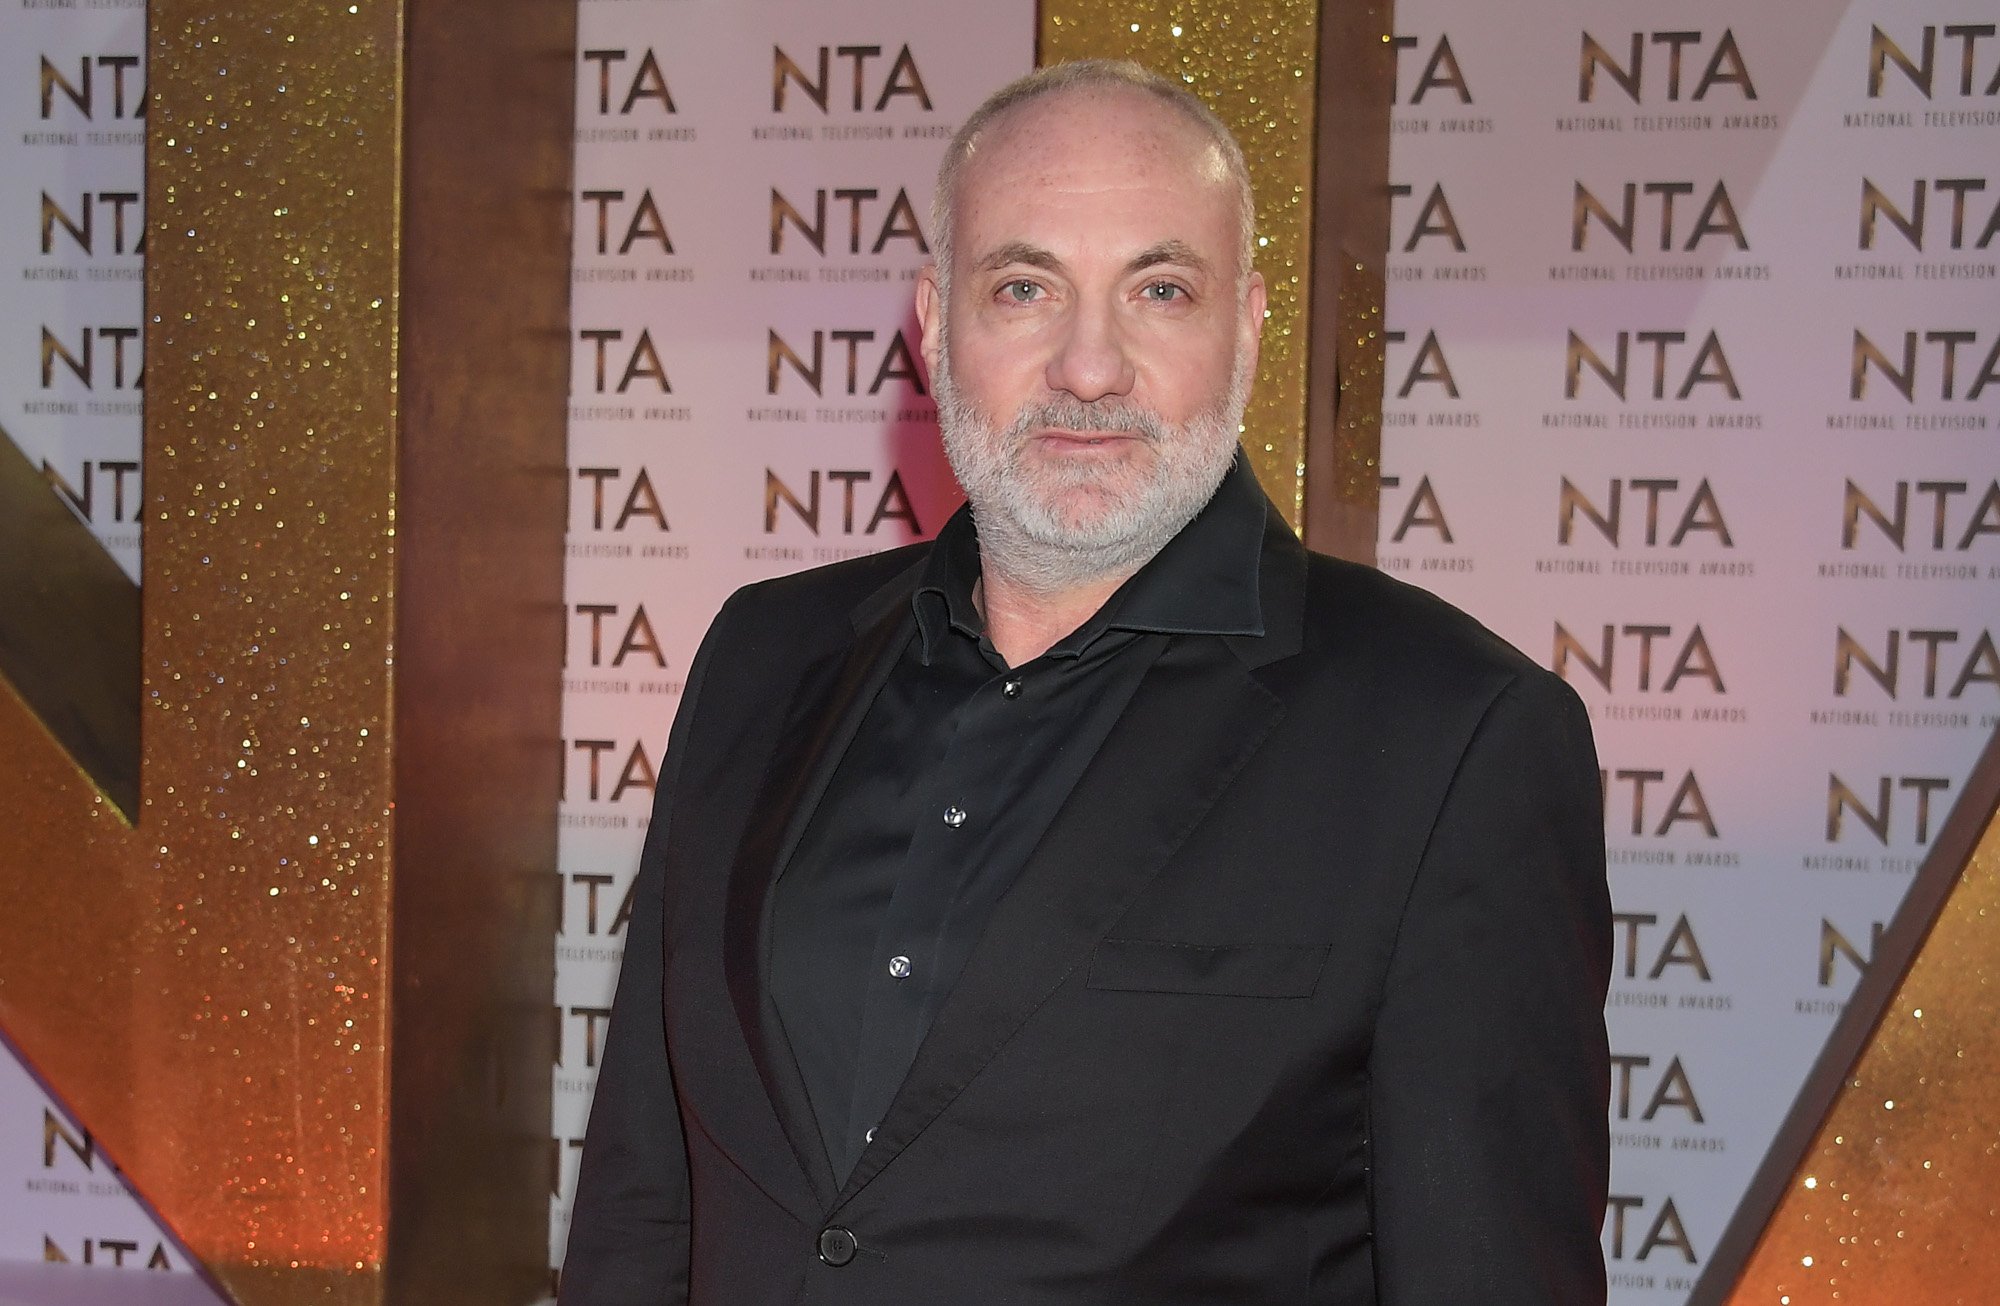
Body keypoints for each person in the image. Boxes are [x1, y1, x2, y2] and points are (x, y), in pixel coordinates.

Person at [562, 59, 1610, 1305]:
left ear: (1250, 323)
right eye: (1024, 287)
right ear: (936, 320)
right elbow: (643, 1190)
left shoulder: (1451, 736)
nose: (1089, 366)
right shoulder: (762, 652)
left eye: (1158, 290)